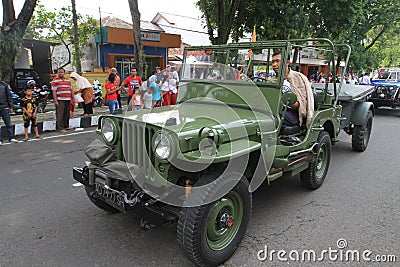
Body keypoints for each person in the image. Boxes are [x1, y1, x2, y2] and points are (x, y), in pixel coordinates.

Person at [271, 50, 314, 128]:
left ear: (287, 62)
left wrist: (284, 100)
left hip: (293, 113)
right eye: (273, 62)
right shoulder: (272, 80)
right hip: (275, 110)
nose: (274, 64)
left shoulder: (298, 78)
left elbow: (301, 103)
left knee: (271, 118)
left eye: (277, 61)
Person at [51, 67, 73, 133]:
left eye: (62, 72)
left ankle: (66, 126)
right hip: (60, 99)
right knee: (60, 114)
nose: (60, 73)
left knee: (67, 113)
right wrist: (55, 100)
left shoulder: (68, 81)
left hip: (68, 99)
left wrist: (73, 98)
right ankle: (61, 127)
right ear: (57, 73)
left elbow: (71, 90)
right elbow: (54, 91)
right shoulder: (55, 81)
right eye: (59, 72)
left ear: (64, 73)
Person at [0, 79, 18, 145]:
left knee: (8, 123)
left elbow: (9, 96)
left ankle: (11, 137)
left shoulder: (4, 85)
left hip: (4, 106)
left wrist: (11, 106)